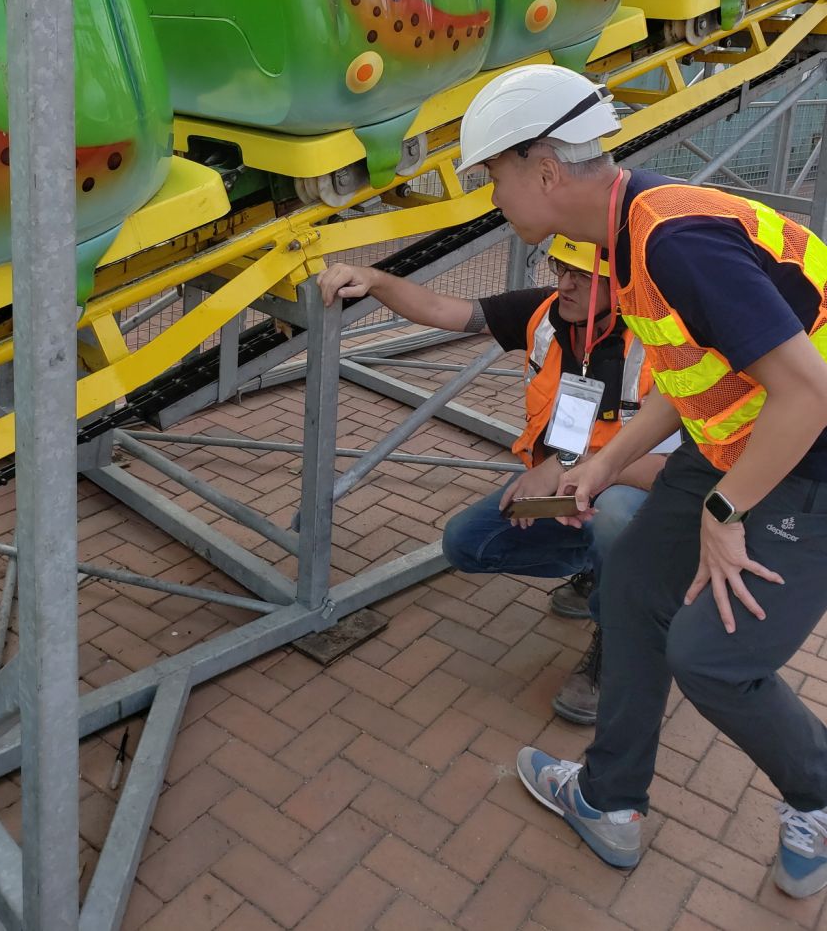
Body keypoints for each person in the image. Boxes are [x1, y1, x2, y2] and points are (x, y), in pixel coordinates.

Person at [454, 63, 827, 897]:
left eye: (494, 178)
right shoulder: (626, 234)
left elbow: (809, 392)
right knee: (629, 586)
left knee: (712, 658)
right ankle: (609, 799)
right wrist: (607, 463)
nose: (495, 199)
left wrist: (725, 511)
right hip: (736, 432)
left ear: (544, 170)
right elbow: (689, 376)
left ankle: (820, 794)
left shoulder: (671, 237)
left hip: (807, 451)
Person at [316, 234, 669, 725]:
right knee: (467, 544)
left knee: (616, 519)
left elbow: (672, 471)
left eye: (581, 275)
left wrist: (568, 467)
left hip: (636, 497)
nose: (563, 283)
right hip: (564, 495)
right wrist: (375, 280)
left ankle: (619, 644)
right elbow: (443, 309)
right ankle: (603, 570)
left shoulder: (664, 346)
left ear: (621, 286)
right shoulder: (544, 312)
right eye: (559, 268)